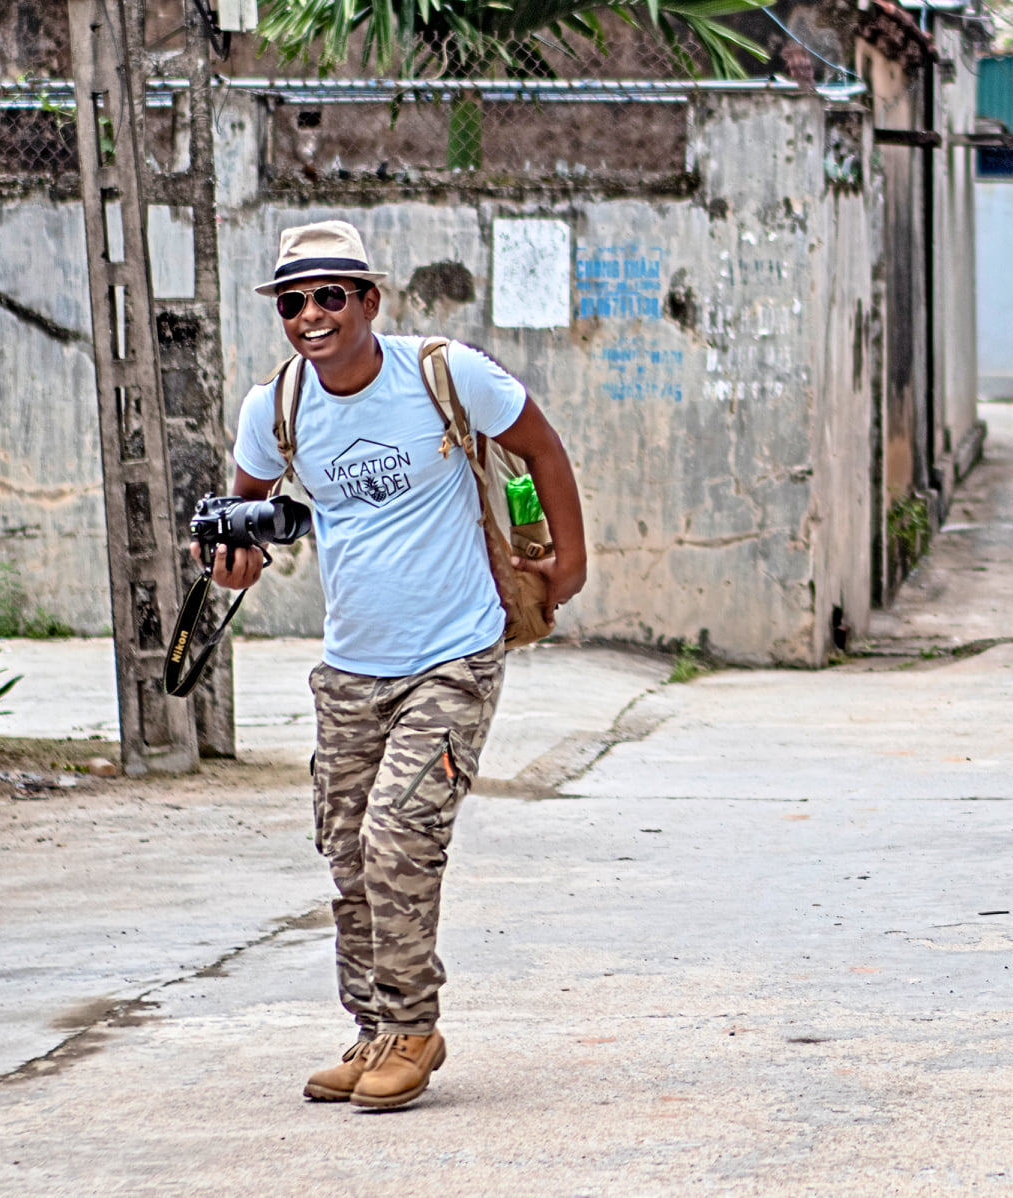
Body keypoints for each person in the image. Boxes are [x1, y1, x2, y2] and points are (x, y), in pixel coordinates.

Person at [209, 220, 587, 1104]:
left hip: (453, 654)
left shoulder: (443, 374)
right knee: (347, 854)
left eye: (329, 296)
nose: (310, 316)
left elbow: (541, 446)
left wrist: (568, 563)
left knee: (398, 837)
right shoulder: (275, 407)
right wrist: (234, 555)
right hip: (351, 668)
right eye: (293, 302)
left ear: (369, 301)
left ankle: (414, 1030)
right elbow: (243, 511)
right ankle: (373, 1030)